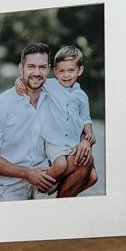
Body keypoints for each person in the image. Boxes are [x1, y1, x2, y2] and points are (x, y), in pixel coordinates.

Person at [0, 42, 60, 200]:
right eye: (31, 67)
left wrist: (84, 140)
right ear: (21, 68)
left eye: (42, 67)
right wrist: (26, 173)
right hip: (6, 184)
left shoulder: (54, 98)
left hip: (42, 178)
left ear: (48, 69)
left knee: (84, 167)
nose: (37, 72)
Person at [37, 44, 98, 197]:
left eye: (71, 70)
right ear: (55, 72)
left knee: (92, 178)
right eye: (61, 71)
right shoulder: (50, 85)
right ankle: (40, 188)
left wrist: (89, 134)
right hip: (54, 141)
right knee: (61, 164)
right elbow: (32, 80)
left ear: (80, 70)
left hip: (73, 142)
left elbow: (85, 118)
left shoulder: (81, 96)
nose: (66, 75)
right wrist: (19, 82)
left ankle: (54, 188)